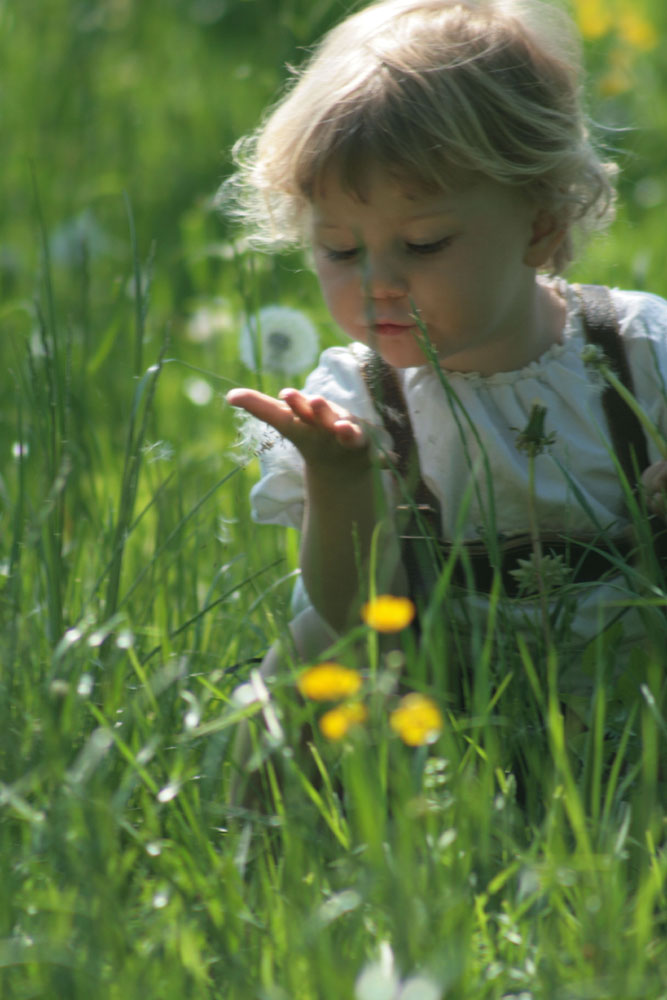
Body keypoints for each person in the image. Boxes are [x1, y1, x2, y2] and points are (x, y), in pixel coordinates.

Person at [223, 0, 667, 693]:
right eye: (338, 249)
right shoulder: (358, 407)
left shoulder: (638, 356)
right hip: (444, 713)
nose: (378, 284)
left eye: (423, 244)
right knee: (302, 662)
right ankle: (252, 807)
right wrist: (341, 485)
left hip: (635, 693)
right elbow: (353, 617)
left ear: (540, 226)